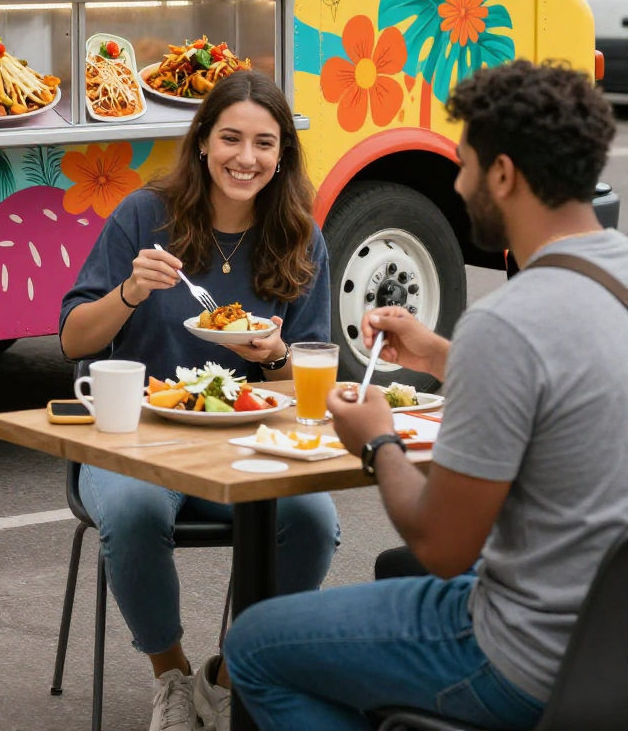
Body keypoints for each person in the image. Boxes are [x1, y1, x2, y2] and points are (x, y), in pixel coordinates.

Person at [226, 59, 627, 731]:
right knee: (391, 573)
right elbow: (571, 376)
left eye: (465, 164)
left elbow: (444, 548)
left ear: (503, 175)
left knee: (254, 645)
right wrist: (444, 355)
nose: (458, 182)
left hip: (523, 658)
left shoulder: (509, 324)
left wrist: (377, 441)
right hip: (609, 645)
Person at [59, 71, 337, 731]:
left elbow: (306, 380)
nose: (247, 158)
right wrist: (128, 293)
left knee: (313, 519)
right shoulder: (144, 218)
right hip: (135, 436)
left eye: (264, 144)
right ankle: (174, 678)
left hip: (246, 439)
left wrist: (272, 355)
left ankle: (232, 671)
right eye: (231, 138)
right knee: (131, 510)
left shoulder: (300, 235)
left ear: (282, 154)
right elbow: (73, 339)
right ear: (204, 142)